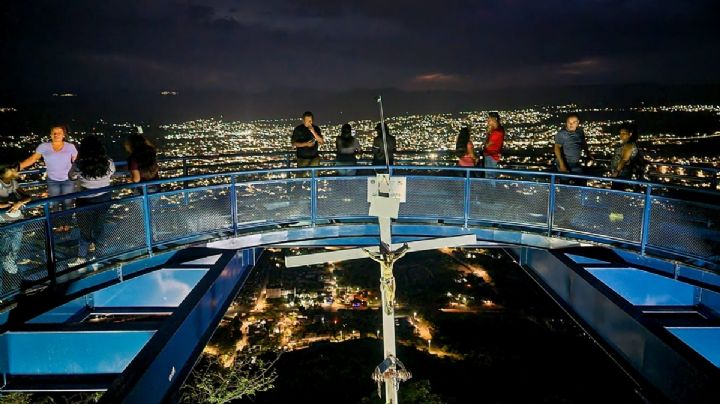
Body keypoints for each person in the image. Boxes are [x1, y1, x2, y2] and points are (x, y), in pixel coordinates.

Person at [67, 135, 116, 265]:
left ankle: (82, 257)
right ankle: (100, 256)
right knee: (99, 227)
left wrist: (78, 159)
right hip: (104, 199)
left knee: (85, 229)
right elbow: (112, 173)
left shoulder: (79, 164)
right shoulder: (108, 162)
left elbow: (71, 177)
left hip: (85, 201)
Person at [20, 125, 78, 211]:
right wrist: (18, 167)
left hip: (68, 180)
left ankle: (67, 224)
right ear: (50, 134)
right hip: (52, 180)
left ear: (63, 135)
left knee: (68, 204)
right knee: (54, 204)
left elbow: (75, 160)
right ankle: (56, 223)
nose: (56, 135)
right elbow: (33, 159)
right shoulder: (44, 147)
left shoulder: (70, 146)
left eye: (59, 133)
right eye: (54, 133)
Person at [0, 162, 31, 292]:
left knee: (11, 255)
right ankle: (15, 284)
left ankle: (12, 285)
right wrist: (9, 205)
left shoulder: (13, 183)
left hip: (17, 223)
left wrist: (19, 202)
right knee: (7, 257)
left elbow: (28, 196)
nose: (19, 172)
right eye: (16, 170)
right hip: (4, 224)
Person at [554, 113, 595, 185]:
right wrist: (562, 165)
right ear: (566, 123)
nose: (571, 124)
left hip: (575, 164)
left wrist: (588, 154)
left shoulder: (580, 132)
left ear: (578, 122)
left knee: (581, 182)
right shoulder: (562, 134)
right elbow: (557, 148)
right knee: (565, 185)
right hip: (564, 163)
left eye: (573, 122)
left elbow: (583, 143)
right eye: (569, 122)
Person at [610, 123, 643, 190]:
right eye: (620, 133)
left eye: (624, 133)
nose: (621, 135)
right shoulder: (625, 144)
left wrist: (617, 171)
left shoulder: (629, 145)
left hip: (622, 174)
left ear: (630, 134)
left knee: (617, 191)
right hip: (621, 174)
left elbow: (624, 159)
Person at [482, 112, 505, 179]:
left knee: (490, 176)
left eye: (489, 120)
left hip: (491, 156)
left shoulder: (496, 132)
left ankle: (491, 189)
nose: (487, 121)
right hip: (491, 155)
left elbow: (487, 145)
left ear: (494, 120)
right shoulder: (499, 130)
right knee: (490, 176)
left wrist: (488, 133)